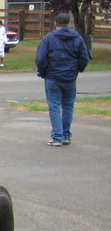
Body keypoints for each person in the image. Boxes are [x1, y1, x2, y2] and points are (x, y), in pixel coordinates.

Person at [35, 12, 90, 147]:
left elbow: (41, 58)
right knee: (68, 106)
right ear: (69, 23)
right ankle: (65, 134)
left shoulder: (49, 38)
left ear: (55, 23)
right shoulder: (77, 38)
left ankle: (57, 136)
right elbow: (84, 57)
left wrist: (43, 72)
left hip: (53, 76)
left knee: (54, 106)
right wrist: (77, 69)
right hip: (70, 76)